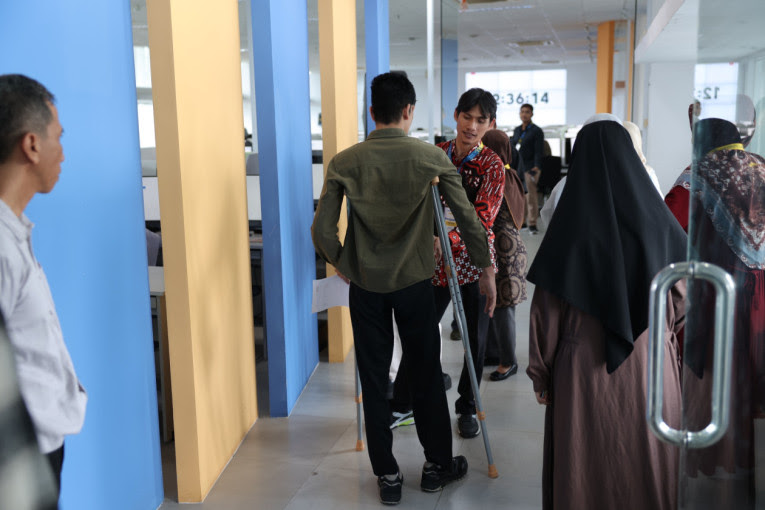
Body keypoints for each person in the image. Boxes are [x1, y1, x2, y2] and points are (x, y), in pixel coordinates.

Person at [312, 72, 496, 505]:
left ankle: (388, 475)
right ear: (409, 110)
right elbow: (469, 220)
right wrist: (486, 268)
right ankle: (437, 466)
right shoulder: (431, 158)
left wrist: (344, 263)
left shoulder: (344, 162)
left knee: (375, 377)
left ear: (371, 111)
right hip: (415, 283)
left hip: (366, 287)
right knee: (426, 373)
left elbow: (322, 231)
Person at [526, 116, 687, 510]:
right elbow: (684, 303)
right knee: (648, 463)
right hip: (652, 366)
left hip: (582, 371)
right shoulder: (661, 226)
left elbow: (546, 315)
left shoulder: (567, 232)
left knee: (583, 465)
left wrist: (541, 374)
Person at [0, 74, 88, 501]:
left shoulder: (14, 231)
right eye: (58, 137)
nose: (63, 153)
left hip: (39, 444)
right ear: (32, 145)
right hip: (18, 455)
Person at [681, 117, 764, 509]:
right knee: (755, 372)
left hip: (719, 288)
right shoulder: (762, 166)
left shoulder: (699, 173)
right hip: (762, 293)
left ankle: (717, 462)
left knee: (718, 375)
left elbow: (672, 225)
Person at [430, 88, 505, 438]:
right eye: (467, 117)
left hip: (473, 262)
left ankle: (467, 406)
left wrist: (448, 241)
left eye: (480, 120)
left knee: (474, 340)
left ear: (490, 124)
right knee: (422, 329)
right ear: (456, 116)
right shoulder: (435, 154)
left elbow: (483, 219)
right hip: (431, 260)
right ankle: (421, 395)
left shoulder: (492, 165)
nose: (472, 126)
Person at [480, 129, 527, 381]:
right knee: (493, 303)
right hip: (509, 247)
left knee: (503, 307)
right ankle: (493, 353)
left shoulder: (496, 177)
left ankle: (508, 362)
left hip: (503, 251)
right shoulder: (512, 174)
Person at [511, 103, 544, 233]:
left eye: (527, 112)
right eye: (522, 111)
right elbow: (514, 146)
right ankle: (522, 222)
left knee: (530, 196)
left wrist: (536, 167)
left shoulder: (536, 130)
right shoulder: (517, 130)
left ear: (532, 114)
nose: (524, 114)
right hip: (519, 167)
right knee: (520, 196)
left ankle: (532, 223)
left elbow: (539, 150)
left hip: (531, 167)